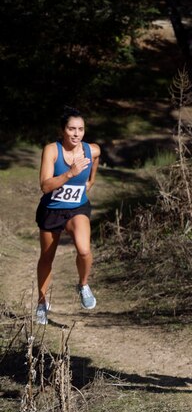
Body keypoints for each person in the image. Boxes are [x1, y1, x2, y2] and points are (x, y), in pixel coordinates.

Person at [35, 106, 100, 325]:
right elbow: (45, 185)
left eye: (80, 129)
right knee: (47, 258)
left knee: (84, 250)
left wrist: (90, 181)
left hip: (77, 208)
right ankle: (42, 303)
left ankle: (83, 285)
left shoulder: (91, 149)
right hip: (52, 209)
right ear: (63, 130)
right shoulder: (52, 150)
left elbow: (96, 156)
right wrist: (70, 173)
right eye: (71, 129)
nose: (76, 133)